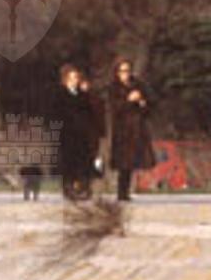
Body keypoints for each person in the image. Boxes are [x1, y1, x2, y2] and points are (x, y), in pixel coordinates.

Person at [105, 58, 155, 203]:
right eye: (122, 71)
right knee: (123, 163)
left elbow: (149, 107)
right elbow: (114, 108)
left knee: (132, 162)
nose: (125, 74)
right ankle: (121, 192)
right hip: (122, 130)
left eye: (127, 71)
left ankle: (126, 191)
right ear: (117, 73)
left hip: (136, 129)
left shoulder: (138, 85)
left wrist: (141, 102)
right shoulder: (113, 88)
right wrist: (128, 100)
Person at [56, 63, 102, 202]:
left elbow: (91, 112)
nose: (74, 81)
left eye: (76, 78)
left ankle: (83, 188)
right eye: (71, 78)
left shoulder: (83, 95)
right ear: (65, 79)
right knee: (69, 162)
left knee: (84, 162)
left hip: (82, 134)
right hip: (67, 134)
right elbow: (56, 114)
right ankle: (68, 188)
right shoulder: (60, 94)